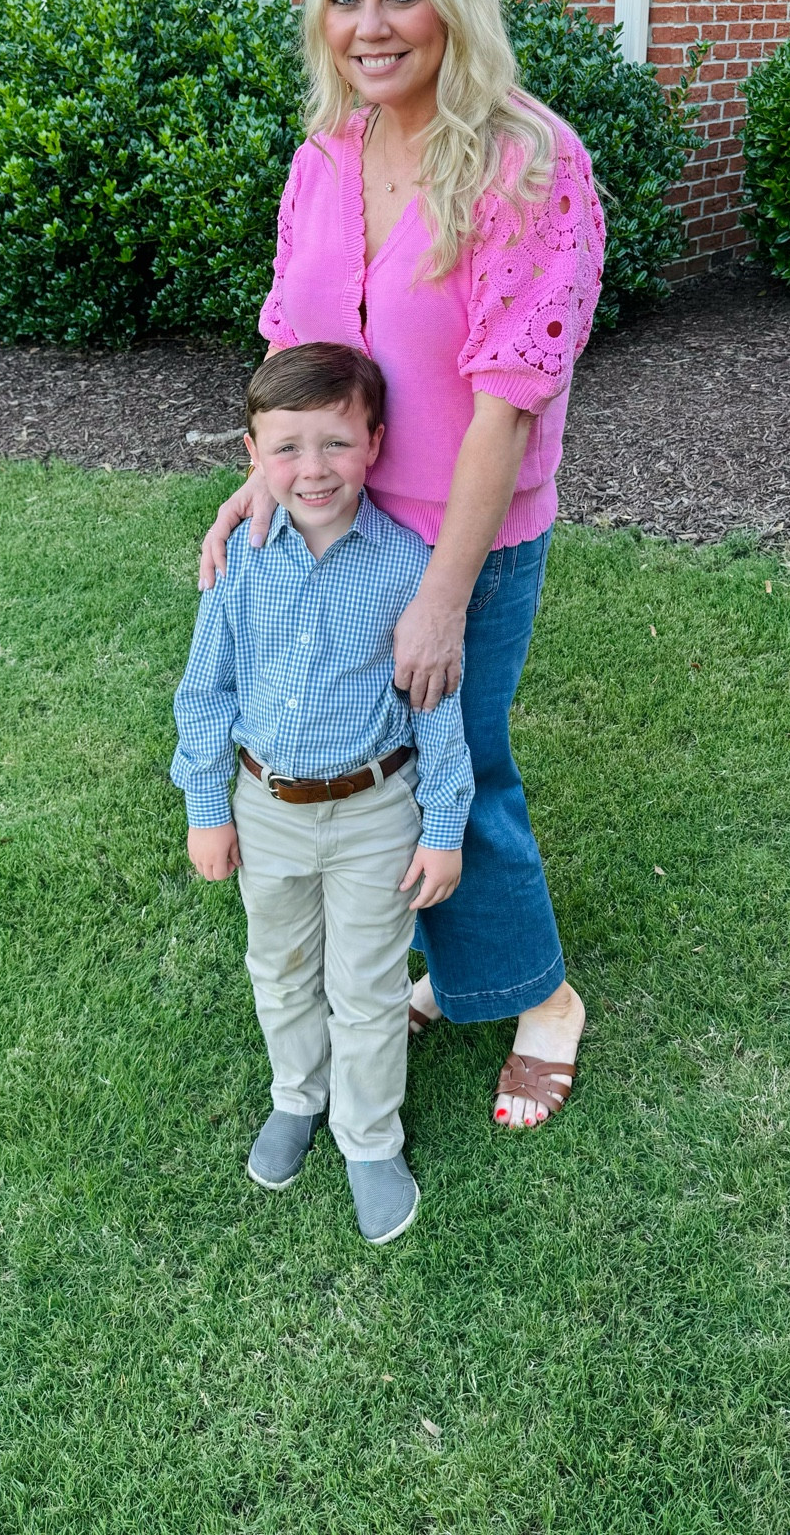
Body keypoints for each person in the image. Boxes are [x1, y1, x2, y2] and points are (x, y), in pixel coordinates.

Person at [199, 0, 605, 1130]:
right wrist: (260, 479)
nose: (370, 25)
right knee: (381, 769)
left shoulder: (529, 162)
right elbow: (295, 347)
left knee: (459, 765)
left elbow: (507, 403)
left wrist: (441, 596)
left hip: (463, 538)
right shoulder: (327, 156)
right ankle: (464, 965)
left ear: (455, 0)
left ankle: (544, 999)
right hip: (337, 523)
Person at [172, 342, 474, 1245]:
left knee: (369, 985)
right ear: (253, 456)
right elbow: (205, 693)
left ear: (374, 443)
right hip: (266, 808)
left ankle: (369, 1138)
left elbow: (438, 710)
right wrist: (207, 811)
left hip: (376, 811)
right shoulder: (240, 562)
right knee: (280, 966)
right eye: (287, 448)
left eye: (336, 443)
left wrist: (444, 826)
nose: (313, 469)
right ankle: (297, 1096)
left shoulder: (408, 566)